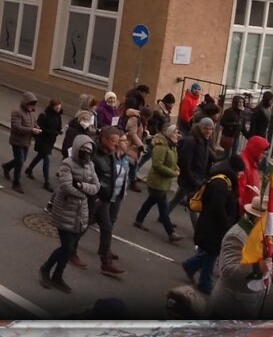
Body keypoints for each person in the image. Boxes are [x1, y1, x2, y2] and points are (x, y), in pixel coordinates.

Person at [40, 134, 100, 294]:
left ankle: (58, 275)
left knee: (70, 247)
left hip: (80, 212)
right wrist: (84, 193)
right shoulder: (67, 164)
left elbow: (96, 186)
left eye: (89, 150)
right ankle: (46, 269)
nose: (86, 153)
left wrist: (81, 186)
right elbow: (66, 186)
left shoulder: (90, 166)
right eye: (84, 150)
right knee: (67, 247)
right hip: (64, 210)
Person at [208, 194, 273, 319]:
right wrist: (257, 268)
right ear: (259, 218)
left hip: (249, 299)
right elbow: (227, 271)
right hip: (231, 304)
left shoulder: (261, 234)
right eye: (271, 220)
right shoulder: (237, 236)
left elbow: (265, 259)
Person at [181, 154, 245, 295]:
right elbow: (218, 208)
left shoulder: (225, 181)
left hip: (213, 226)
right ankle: (204, 283)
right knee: (212, 253)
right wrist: (228, 223)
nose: (241, 175)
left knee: (211, 253)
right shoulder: (221, 184)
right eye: (240, 172)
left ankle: (190, 266)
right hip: (214, 227)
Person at [133, 124, 184, 242]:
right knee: (163, 207)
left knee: (150, 201)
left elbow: (172, 161)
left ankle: (138, 220)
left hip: (163, 182)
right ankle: (170, 232)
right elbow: (157, 165)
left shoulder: (172, 146)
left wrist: (176, 168)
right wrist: (173, 173)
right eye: (176, 132)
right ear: (169, 134)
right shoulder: (161, 147)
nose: (178, 135)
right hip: (157, 181)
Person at [90, 126, 128, 276]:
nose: (115, 144)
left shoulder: (111, 153)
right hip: (94, 198)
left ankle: (106, 263)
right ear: (103, 139)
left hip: (104, 199)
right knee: (83, 227)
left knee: (107, 228)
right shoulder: (94, 154)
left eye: (117, 141)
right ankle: (70, 250)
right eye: (113, 141)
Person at [172, 117, 215, 226]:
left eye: (211, 129)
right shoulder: (192, 141)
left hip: (197, 177)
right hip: (191, 178)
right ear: (200, 128)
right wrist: (192, 178)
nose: (208, 131)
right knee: (193, 204)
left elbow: (207, 159)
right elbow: (186, 162)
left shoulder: (205, 141)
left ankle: (164, 214)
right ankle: (197, 230)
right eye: (206, 128)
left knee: (178, 198)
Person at [3, 92, 40, 193]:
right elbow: (16, 127)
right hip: (17, 140)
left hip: (26, 141)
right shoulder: (17, 112)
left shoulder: (31, 113)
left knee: (21, 160)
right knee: (20, 160)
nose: (31, 106)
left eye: (33, 104)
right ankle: (16, 182)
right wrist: (31, 130)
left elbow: (34, 124)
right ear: (25, 103)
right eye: (30, 104)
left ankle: (7, 166)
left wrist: (36, 128)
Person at [27, 98, 63, 191]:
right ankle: (47, 181)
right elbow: (40, 128)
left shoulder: (58, 116)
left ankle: (29, 169)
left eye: (59, 108)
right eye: (57, 108)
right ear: (52, 107)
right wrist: (54, 132)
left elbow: (59, 127)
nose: (58, 109)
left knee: (40, 156)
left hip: (50, 141)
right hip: (42, 140)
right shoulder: (44, 115)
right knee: (46, 159)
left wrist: (60, 131)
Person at [237, 135, 271, 209]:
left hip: (248, 207)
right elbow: (239, 192)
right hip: (244, 209)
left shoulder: (252, 162)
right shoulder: (244, 164)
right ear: (255, 150)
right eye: (262, 153)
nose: (263, 156)